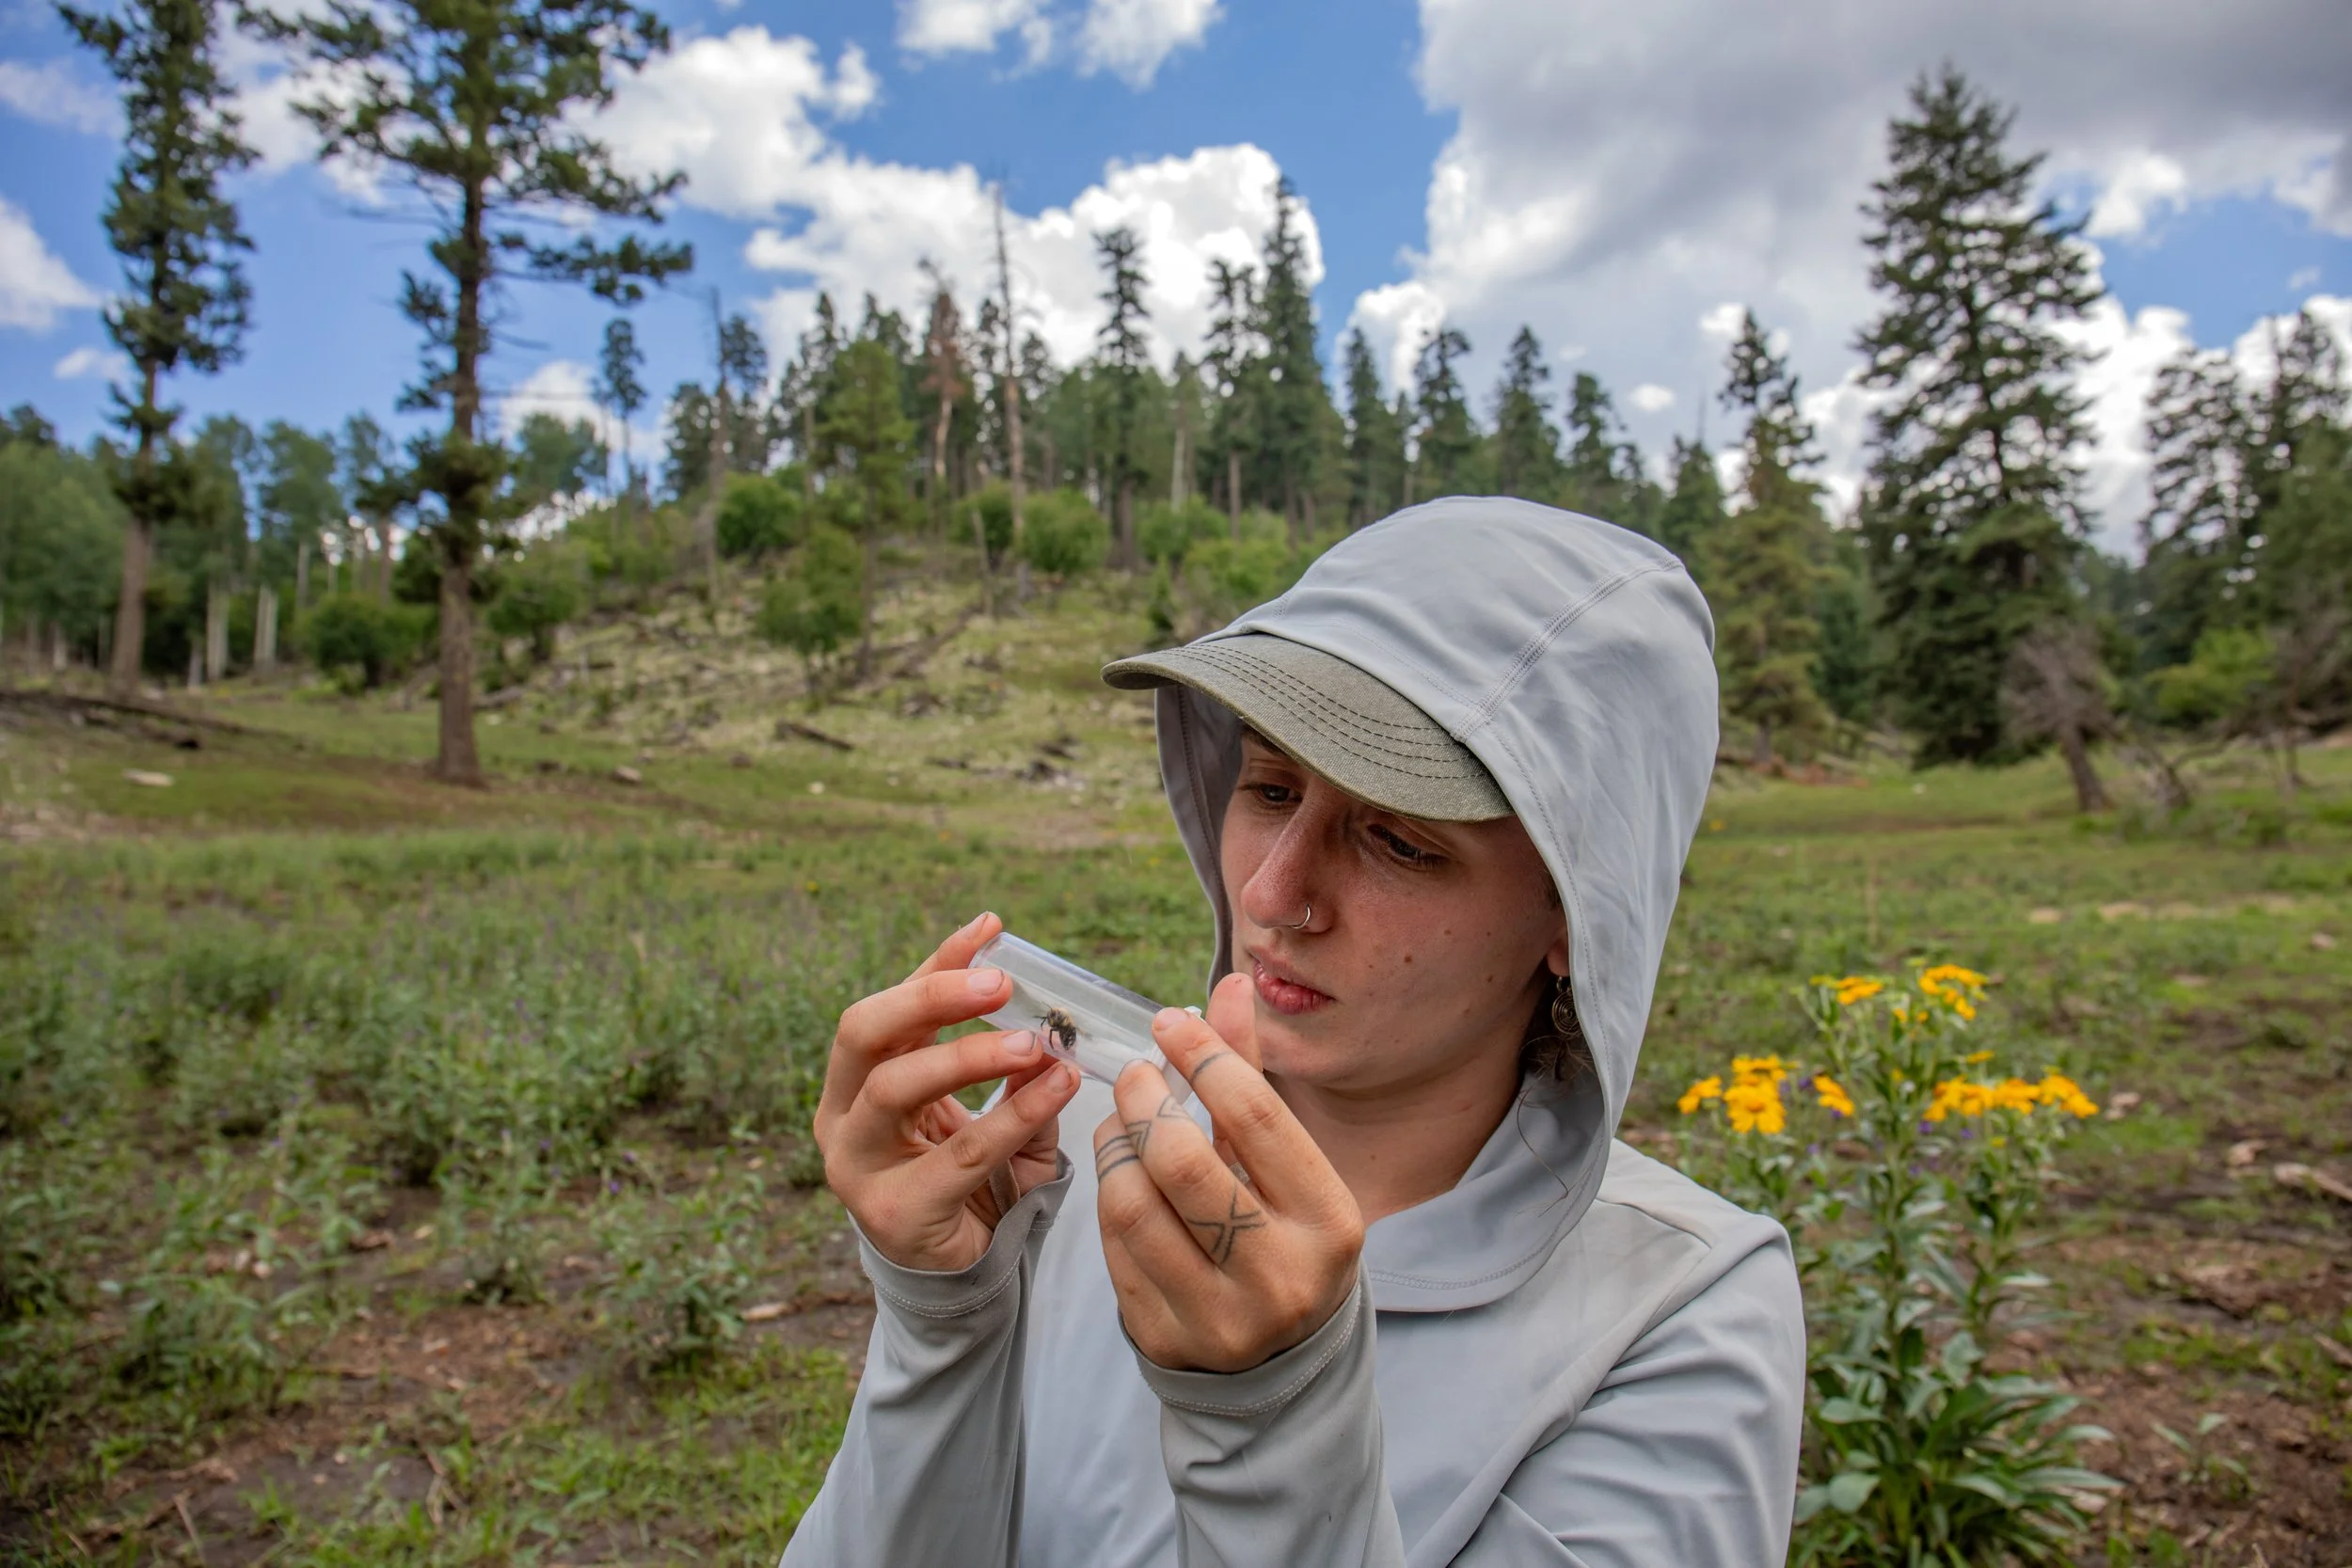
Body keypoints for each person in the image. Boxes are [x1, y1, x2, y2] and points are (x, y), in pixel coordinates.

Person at [784, 497, 1805, 1567]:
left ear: (1573, 912)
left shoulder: (1674, 1316)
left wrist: (1273, 1416)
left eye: (1400, 842)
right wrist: (944, 1319)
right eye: (1269, 785)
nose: (1275, 894)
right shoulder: (1077, 1137)